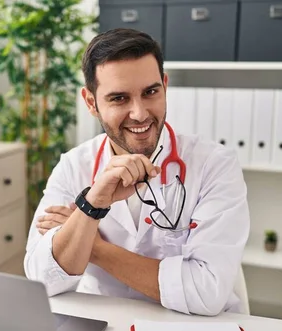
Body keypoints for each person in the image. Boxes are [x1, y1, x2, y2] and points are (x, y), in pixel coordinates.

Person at [23, 28, 250, 316]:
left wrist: (94, 248)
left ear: (165, 86)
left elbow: (206, 292)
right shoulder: (73, 166)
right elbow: (42, 279)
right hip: (104, 326)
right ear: (91, 102)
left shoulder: (214, 166)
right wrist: (92, 204)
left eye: (150, 92)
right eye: (119, 98)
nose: (140, 113)